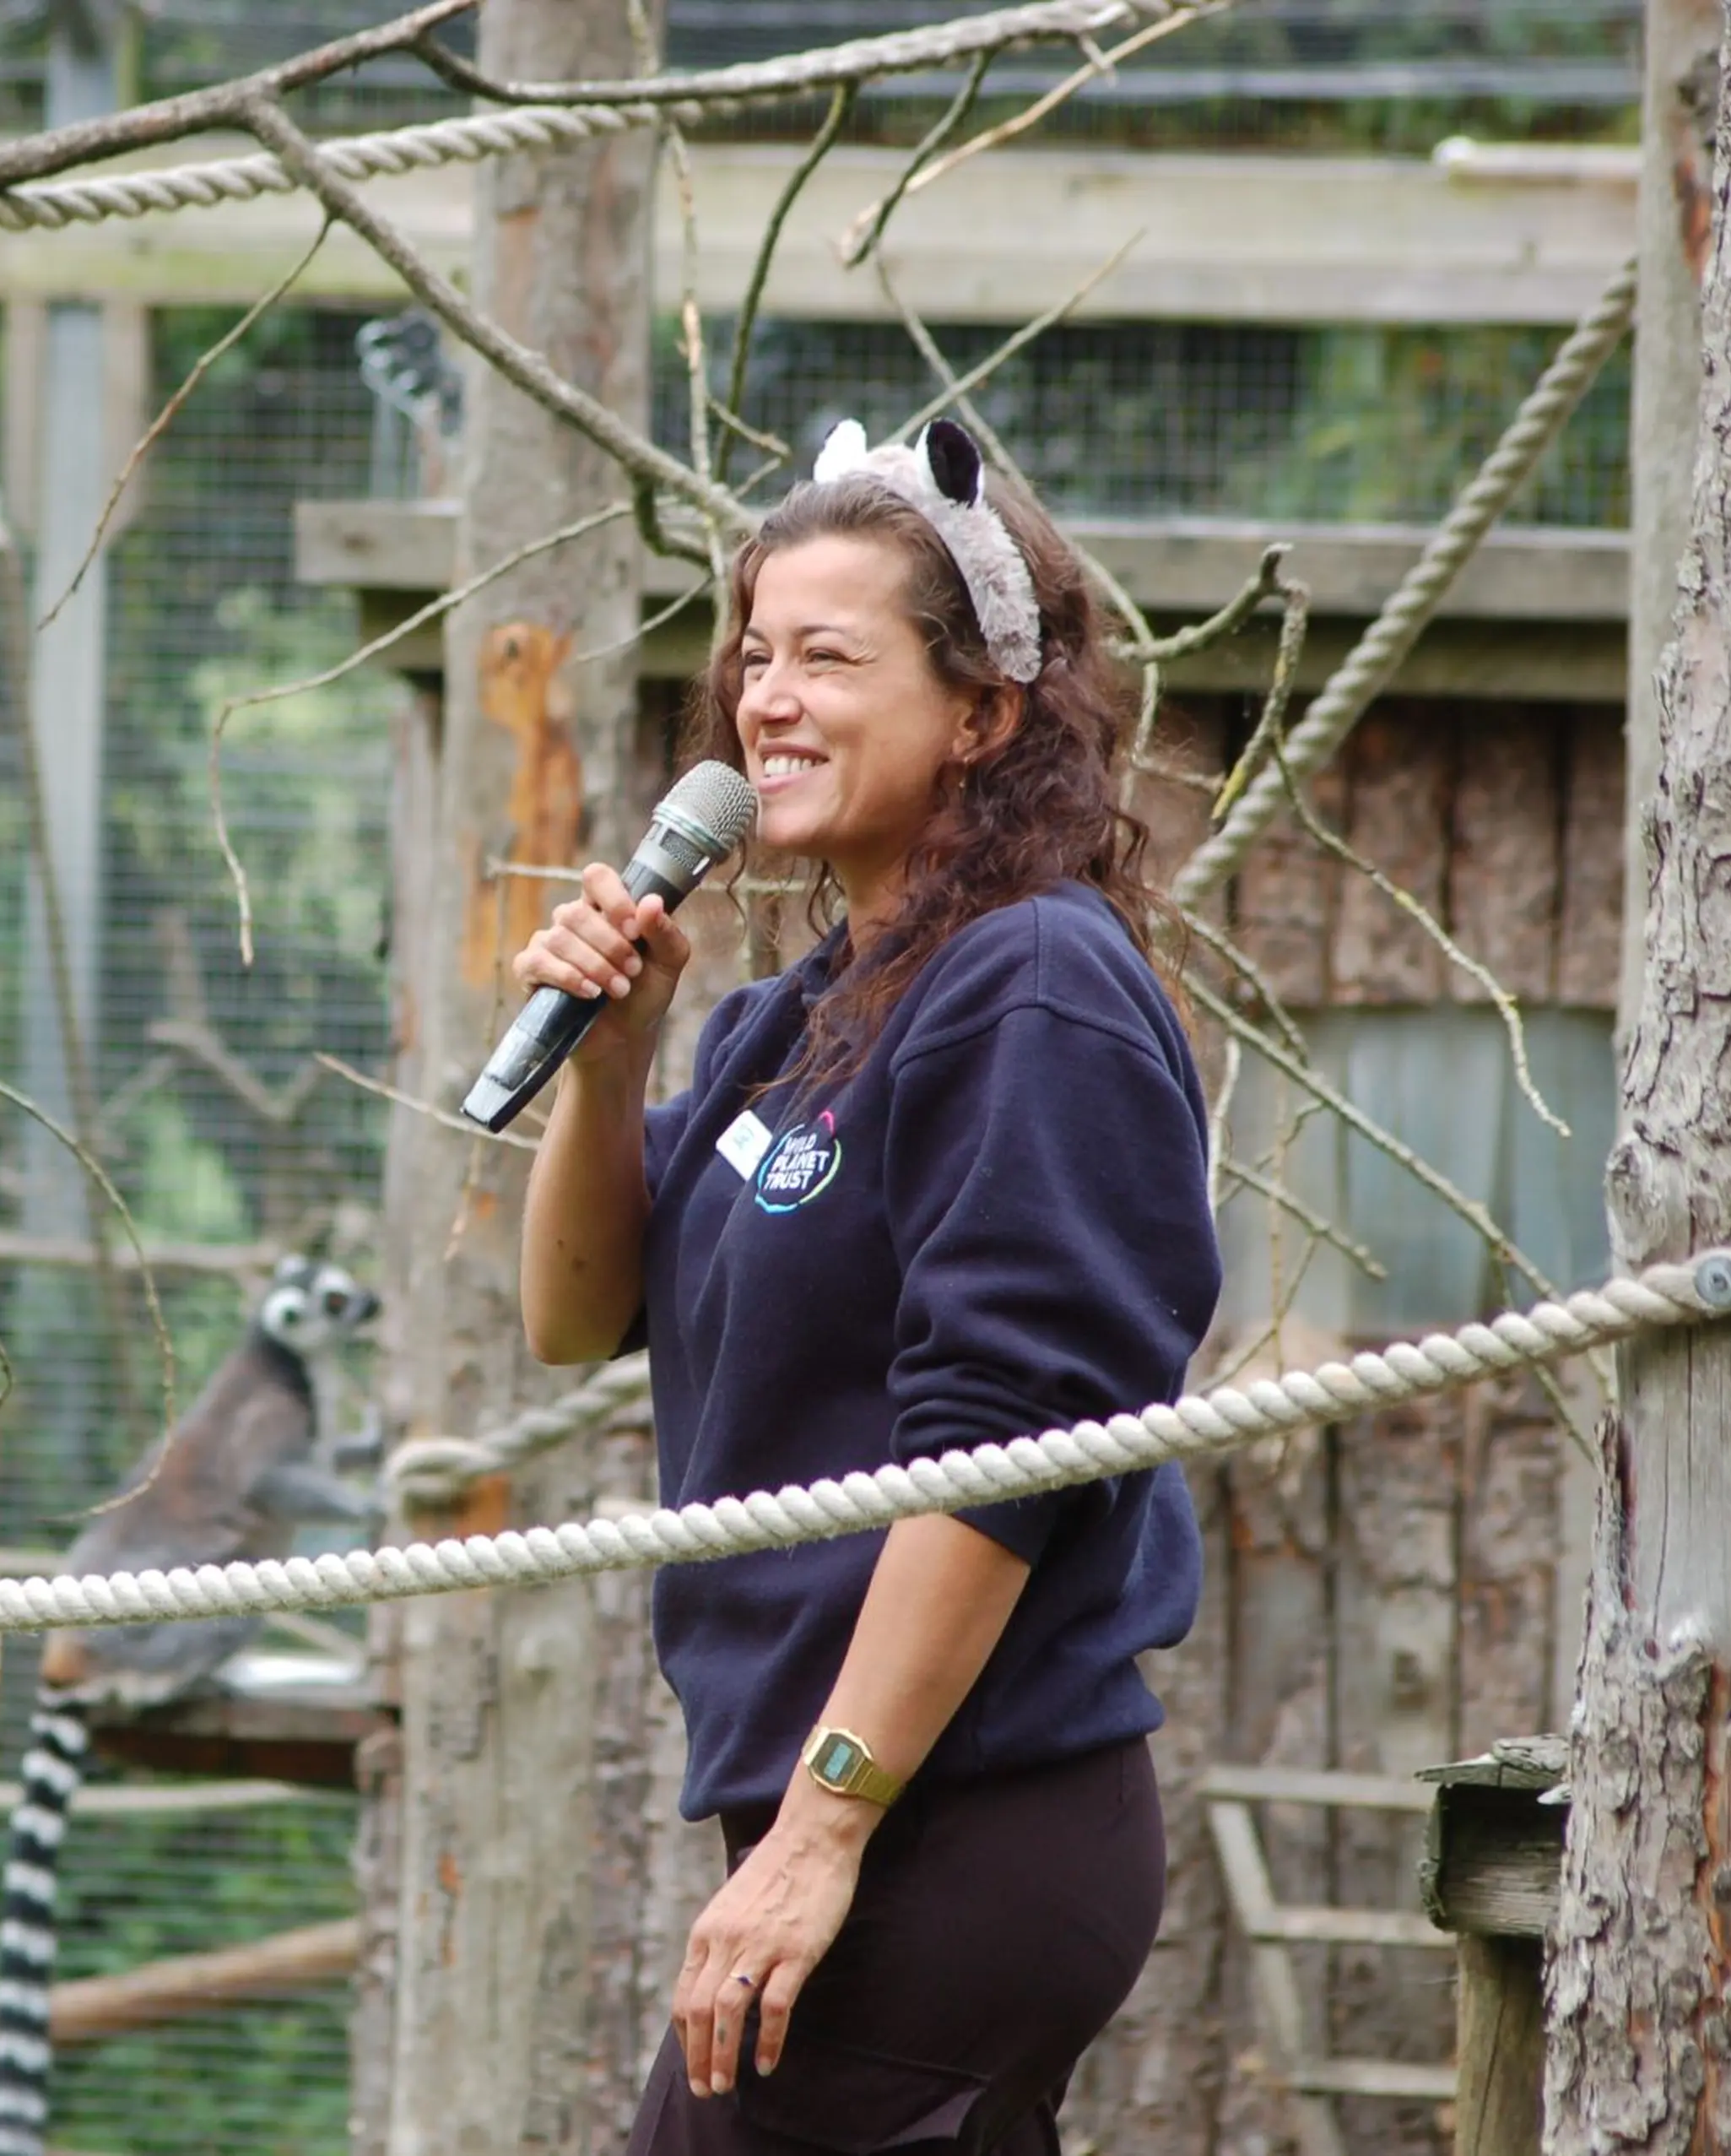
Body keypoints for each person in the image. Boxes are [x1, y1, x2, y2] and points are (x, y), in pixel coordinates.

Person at [511, 419, 1220, 2156]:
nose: (768, 698)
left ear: (981, 711)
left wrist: (824, 1828)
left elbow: (1001, 1447)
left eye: (831, 655)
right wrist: (615, 1064)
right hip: (842, 1812)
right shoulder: (801, 1012)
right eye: (756, 654)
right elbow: (574, 1315)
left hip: (949, 1824)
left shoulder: (1031, 984)